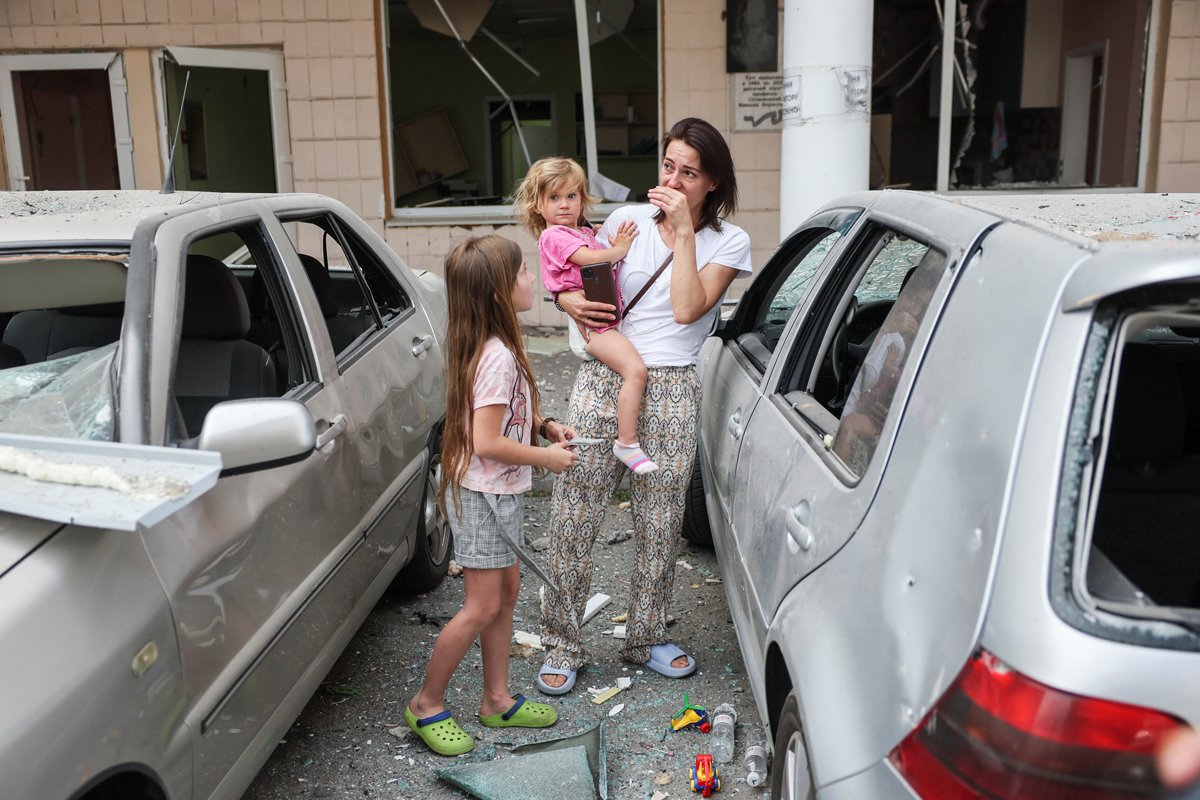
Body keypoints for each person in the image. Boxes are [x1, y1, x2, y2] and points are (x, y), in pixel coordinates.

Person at [537, 118, 753, 695]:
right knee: (573, 512)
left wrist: (684, 234)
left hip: (673, 386)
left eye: (689, 172)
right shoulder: (624, 220)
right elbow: (576, 275)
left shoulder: (728, 242)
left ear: (712, 182)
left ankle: (647, 633)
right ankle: (562, 640)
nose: (674, 180)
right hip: (603, 374)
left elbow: (688, 309)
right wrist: (568, 301)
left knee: (659, 524)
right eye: (668, 166)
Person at [405, 235, 579, 755]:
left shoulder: (490, 344)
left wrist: (543, 426)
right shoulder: (498, 355)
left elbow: (501, 419)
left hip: (495, 491)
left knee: (505, 594)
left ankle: (497, 699)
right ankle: (426, 703)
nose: (532, 278)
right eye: (524, 272)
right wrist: (548, 460)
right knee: (480, 607)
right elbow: (486, 441)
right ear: (500, 294)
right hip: (483, 495)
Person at [513, 156, 656, 475]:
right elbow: (590, 259)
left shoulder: (579, 231)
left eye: (571, 196)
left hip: (602, 322)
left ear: (582, 199)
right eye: (554, 197)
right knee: (635, 371)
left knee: (633, 371)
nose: (564, 204)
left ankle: (627, 439)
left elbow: (590, 246)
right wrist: (620, 248)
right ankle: (627, 442)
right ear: (538, 204)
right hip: (595, 329)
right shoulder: (554, 236)